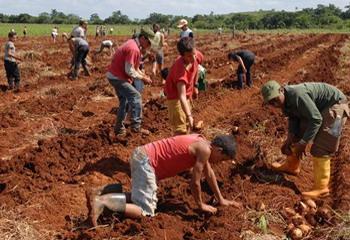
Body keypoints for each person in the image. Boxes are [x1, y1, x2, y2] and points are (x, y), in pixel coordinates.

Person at [87, 133, 242, 227]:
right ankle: (102, 202)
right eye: (222, 159)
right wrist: (200, 204)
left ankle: (104, 191)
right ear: (218, 150)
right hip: (147, 162)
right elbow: (194, 182)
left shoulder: (202, 141)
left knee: (140, 197)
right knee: (146, 212)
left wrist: (221, 199)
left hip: (143, 156)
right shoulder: (205, 150)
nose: (219, 163)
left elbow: (209, 174)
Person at [261, 81, 349, 199]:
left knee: (322, 145)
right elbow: (293, 118)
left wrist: (303, 143)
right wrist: (290, 138)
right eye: (271, 102)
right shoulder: (285, 102)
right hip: (320, 108)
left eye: (275, 99)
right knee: (297, 135)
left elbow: (316, 119)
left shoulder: (298, 96)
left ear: (281, 91)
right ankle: (291, 166)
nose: (275, 104)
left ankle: (321, 188)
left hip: (337, 107)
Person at [106, 28, 155, 136]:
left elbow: (133, 67)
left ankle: (119, 129)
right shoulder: (133, 49)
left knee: (125, 102)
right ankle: (136, 126)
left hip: (115, 76)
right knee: (136, 96)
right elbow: (129, 70)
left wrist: (142, 75)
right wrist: (142, 78)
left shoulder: (133, 44)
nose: (150, 45)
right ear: (143, 38)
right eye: (149, 42)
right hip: (117, 78)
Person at [164, 37, 201, 136]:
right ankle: (175, 149)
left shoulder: (195, 55)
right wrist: (189, 115)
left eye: (194, 54)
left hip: (186, 95)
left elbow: (197, 68)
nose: (193, 58)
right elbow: (181, 97)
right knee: (180, 130)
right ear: (182, 56)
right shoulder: (180, 71)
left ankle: (184, 148)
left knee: (188, 125)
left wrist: (195, 86)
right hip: (175, 98)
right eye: (189, 56)